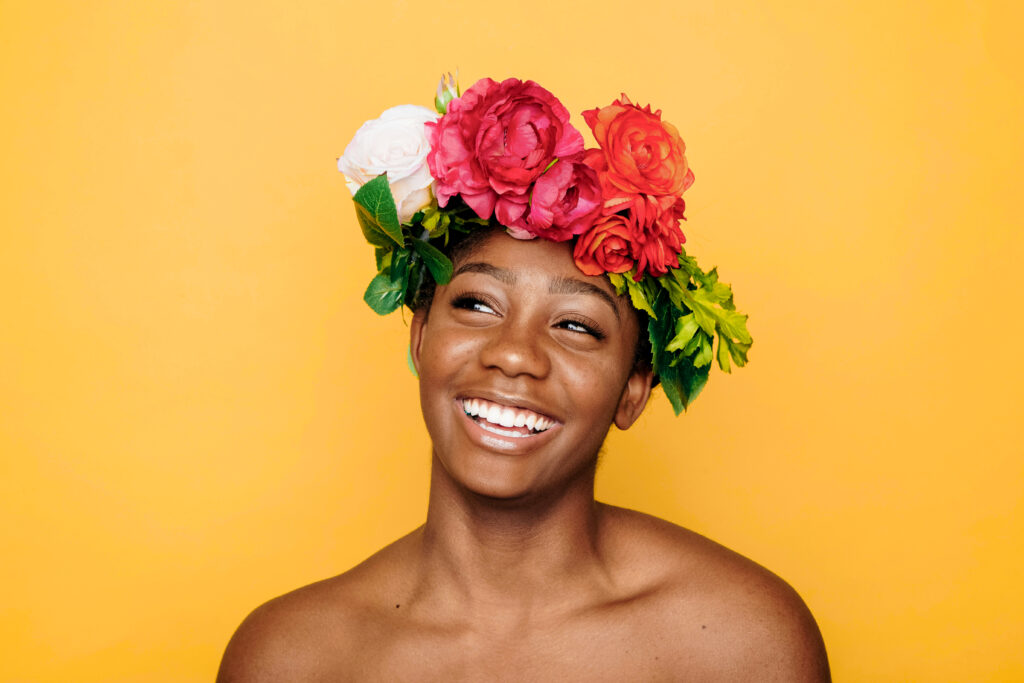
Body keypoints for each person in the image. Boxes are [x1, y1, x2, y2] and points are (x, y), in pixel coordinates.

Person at [217, 75, 830, 681]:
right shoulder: (289, 658)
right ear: (421, 335)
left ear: (634, 388)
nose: (514, 355)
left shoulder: (741, 642)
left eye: (576, 326)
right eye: (479, 305)